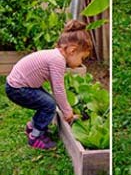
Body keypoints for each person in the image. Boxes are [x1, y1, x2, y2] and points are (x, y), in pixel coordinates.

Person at [5, 20, 92, 150]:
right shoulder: (58, 60)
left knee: (47, 102)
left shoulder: (55, 56)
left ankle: (32, 126)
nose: (80, 63)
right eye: (82, 58)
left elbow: (54, 87)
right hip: (17, 88)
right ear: (72, 51)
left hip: (20, 85)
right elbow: (58, 89)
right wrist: (68, 112)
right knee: (49, 104)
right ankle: (36, 136)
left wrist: (65, 108)